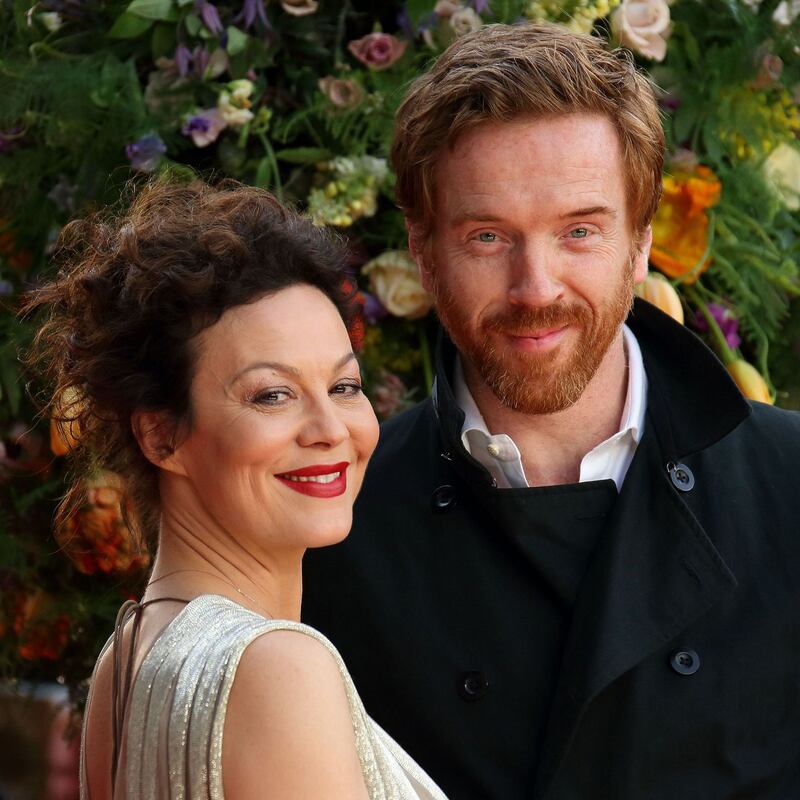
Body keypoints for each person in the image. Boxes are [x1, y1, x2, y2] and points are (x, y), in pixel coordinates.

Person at [303, 22, 800, 800]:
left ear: (641, 242)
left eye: (579, 231)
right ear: (423, 251)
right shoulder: (336, 529)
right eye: (487, 236)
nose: (536, 288)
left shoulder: (790, 482)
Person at [28, 180, 448, 800]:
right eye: (273, 395)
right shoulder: (278, 668)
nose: (331, 430)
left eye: (344, 387)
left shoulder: (128, 653)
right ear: (161, 436)